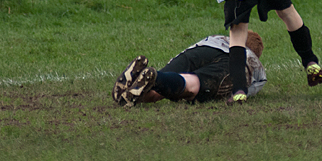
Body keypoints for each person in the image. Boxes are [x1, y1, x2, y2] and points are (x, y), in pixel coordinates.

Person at [112, 31, 267, 108]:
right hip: (231, 61)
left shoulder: (218, 37)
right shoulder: (253, 61)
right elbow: (250, 88)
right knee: (191, 86)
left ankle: (129, 92)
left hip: (203, 49)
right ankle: (156, 78)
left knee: (162, 86)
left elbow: (189, 52)